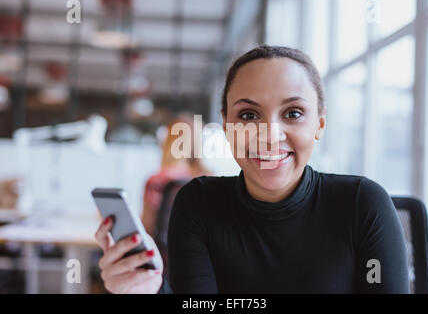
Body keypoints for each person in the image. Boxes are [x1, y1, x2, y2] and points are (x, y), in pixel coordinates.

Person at [95, 45, 409, 294]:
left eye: (294, 112)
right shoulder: (198, 204)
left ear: (320, 124)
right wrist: (149, 290)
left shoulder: (361, 204)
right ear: (227, 125)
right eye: (248, 116)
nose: (270, 134)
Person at [141, 114, 208, 237]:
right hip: (198, 254)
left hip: (163, 254)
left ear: (168, 141)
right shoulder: (209, 181)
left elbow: (146, 229)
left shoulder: (156, 181)